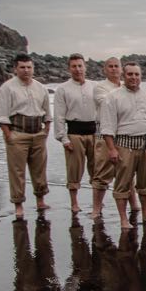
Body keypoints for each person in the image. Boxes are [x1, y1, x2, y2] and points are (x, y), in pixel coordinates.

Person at [100, 62, 146, 228]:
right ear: (123, 76)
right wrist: (112, 149)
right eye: (130, 74)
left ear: (141, 77)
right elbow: (106, 127)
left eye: (137, 74)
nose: (134, 78)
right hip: (124, 145)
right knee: (122, 183)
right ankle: (123, 219)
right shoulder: (112, 97)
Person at [0, 53, 51, 218]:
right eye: (22, 67)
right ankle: (18, 205)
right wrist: (8, 135)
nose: (26, 70)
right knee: (17, 172)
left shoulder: (40, 88)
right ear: (15, 69)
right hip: (17, 133)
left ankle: (40, 201)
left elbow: (47, 112)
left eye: (29, 67)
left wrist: (46, 129)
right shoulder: (7, 88)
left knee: (39, 170)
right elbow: (0, 114)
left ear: (33, 68)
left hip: (37, 133)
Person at [92, 57, 137, 218]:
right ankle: (96, 208)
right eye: (110, 66)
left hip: (124, 133)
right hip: (106, 134)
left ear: (122, 70)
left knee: (127, 171)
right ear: (105, 69)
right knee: (102, 172)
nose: (113, 69)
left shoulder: (128, 87)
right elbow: (109, 105)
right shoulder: (100, 88)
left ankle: (134, 205)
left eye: (116, 66)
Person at [53, 53, 98, 214]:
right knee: (74, 170)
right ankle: (74, 203)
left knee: (97, 171)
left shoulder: (95, 86)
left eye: (80, 66)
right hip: (74, 133)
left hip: (94, 133)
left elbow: (103, 110)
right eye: (74, 66)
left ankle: (96, 204)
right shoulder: (63, 89)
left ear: (85, 67)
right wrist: (63, 138)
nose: (77, 69)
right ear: (69, 69)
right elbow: (58, 116)